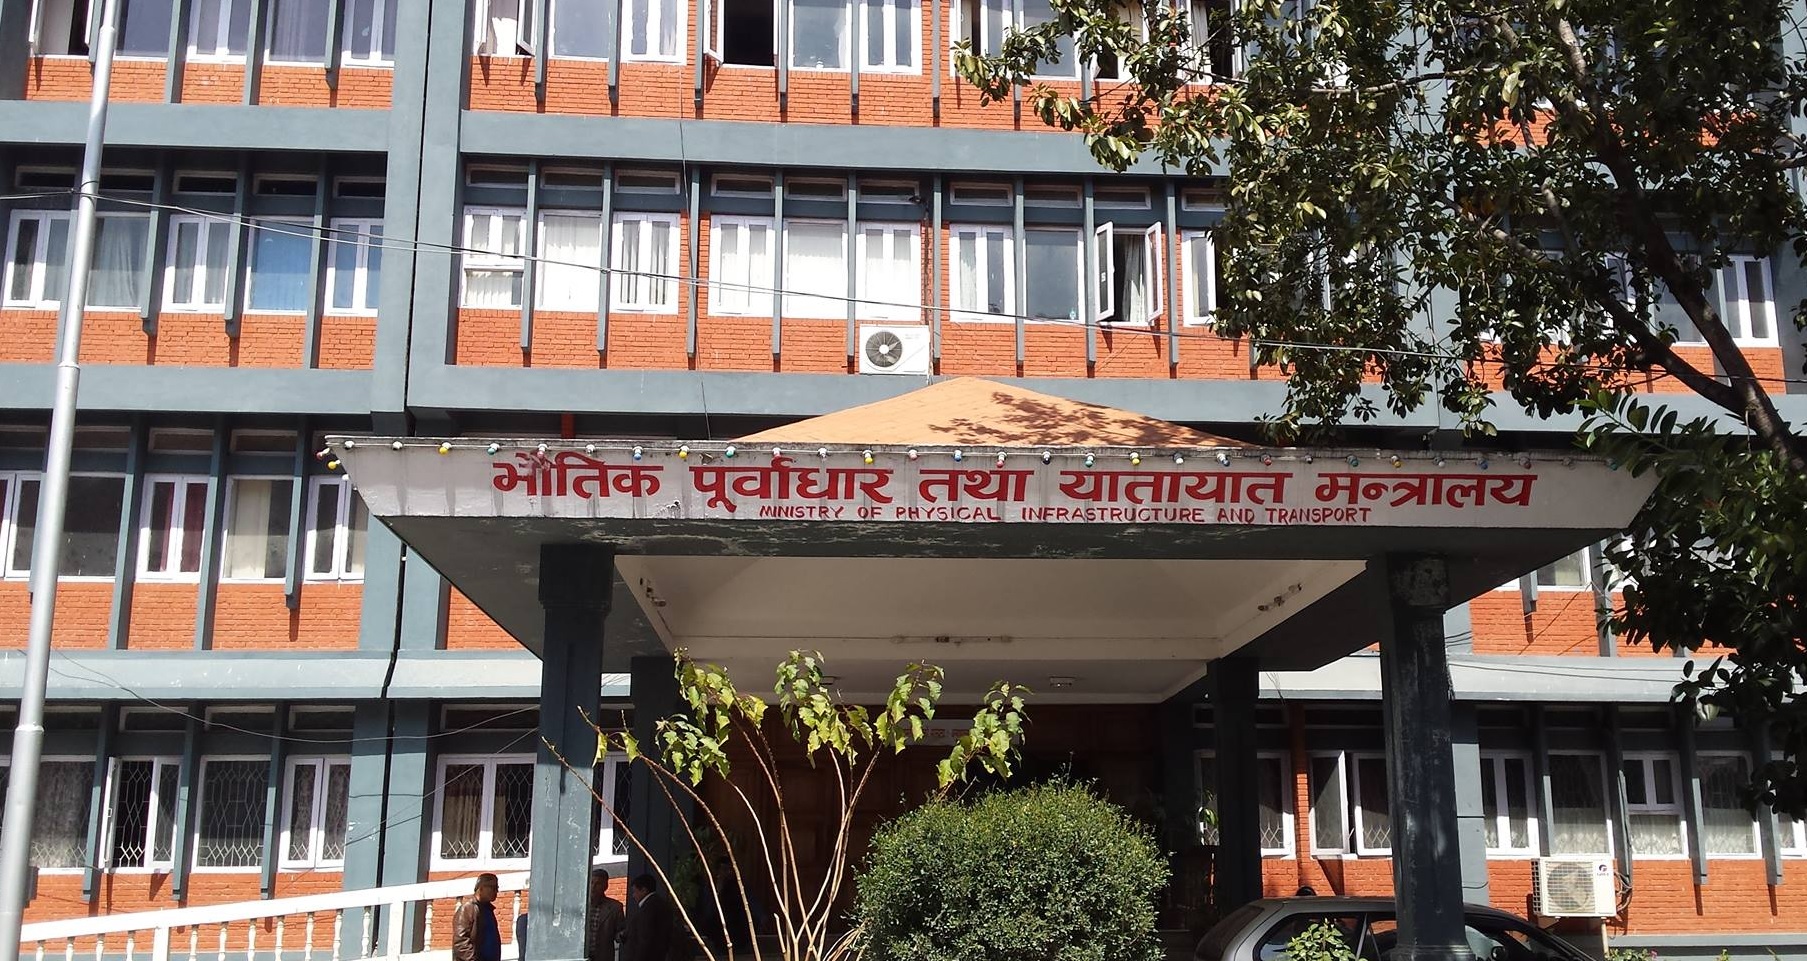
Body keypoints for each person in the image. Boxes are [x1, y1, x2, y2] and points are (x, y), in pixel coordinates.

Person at [621, 874, 673, 961]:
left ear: (644, 890)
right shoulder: (661, 904)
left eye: (635, 891)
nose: (633, 896)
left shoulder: (648, 908)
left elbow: (644, 938)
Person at [454, 874, 504, 961]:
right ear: (481, 888)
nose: (496, 891)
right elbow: (460, 942)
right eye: (493, 888)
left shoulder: (488, 909)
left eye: (497, 888)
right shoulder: (468, 909)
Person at [587, 868, 625, 961]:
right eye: (591, 883)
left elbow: (620, 932)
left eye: (598, 884)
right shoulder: (581, 905)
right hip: (581, 955)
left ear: (605, 886)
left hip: (602, 956)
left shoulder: (615, 907)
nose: (593, 887)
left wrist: (622, 935)